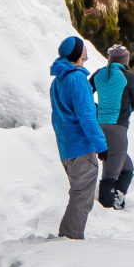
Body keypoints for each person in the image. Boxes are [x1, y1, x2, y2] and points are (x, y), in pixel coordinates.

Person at [48, 35, 105, 239]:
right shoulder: (78, 78)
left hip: (67, 148)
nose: (85, 49)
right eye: (83, 47)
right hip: (82, 148)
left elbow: (65, 114)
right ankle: (70, 238)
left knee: (79, 193)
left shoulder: (58, 81)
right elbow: (86, 117)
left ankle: (69, 236)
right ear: (77, 54)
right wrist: (101, 145)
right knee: (82, 197)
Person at [90, 43, 134, 208]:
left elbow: (85, 93)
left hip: (99, 126)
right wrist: (125, 110)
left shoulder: (99, 74)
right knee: (111, 171)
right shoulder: (129, 76)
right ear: (125, 61)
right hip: (117, 127)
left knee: (126, 166)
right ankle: (107, 205)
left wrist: (97, 109)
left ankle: (118, 196)